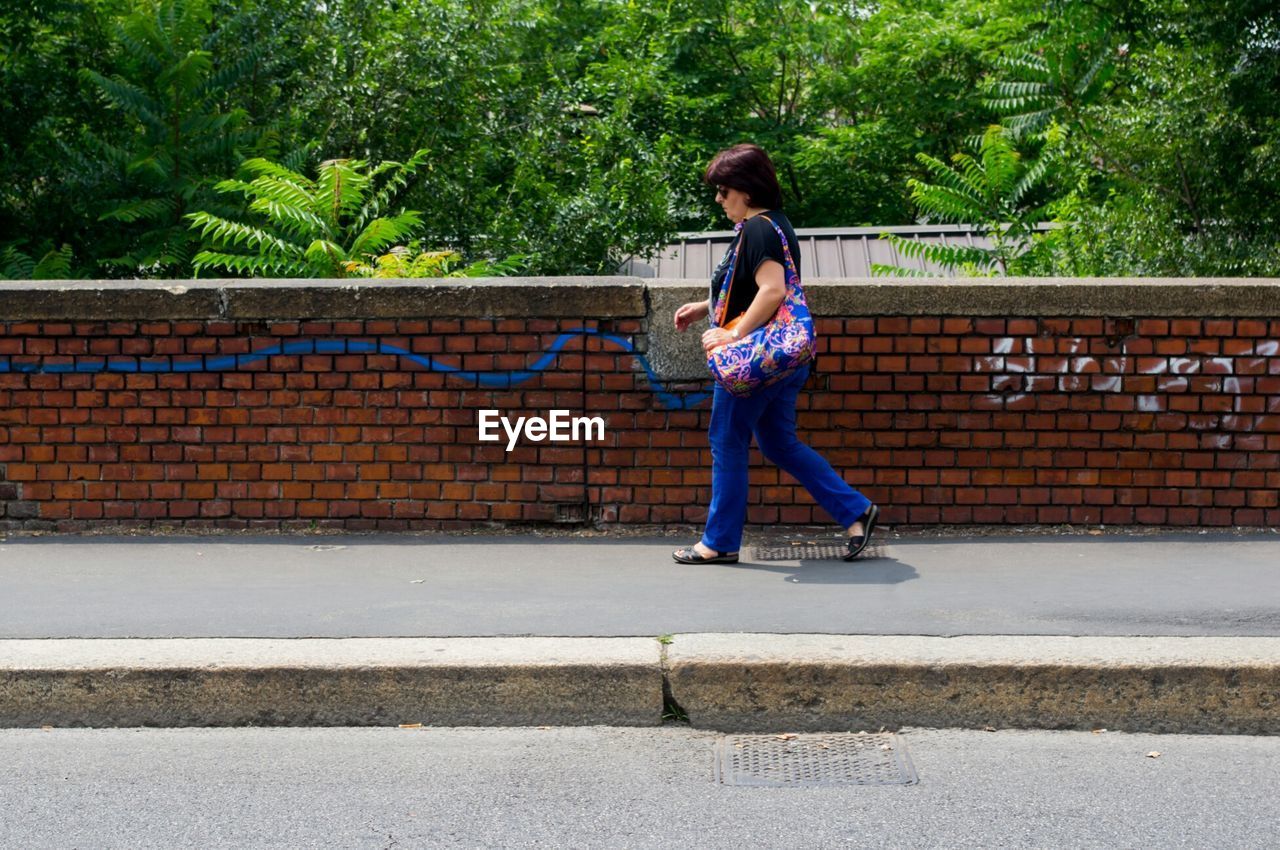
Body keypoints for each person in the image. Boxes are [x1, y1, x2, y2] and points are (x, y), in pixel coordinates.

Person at [671, 143, 879, 565]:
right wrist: (704, 308)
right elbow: (750, 291)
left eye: (723, 190)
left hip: (755, 362)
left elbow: (773, 291)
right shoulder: (777, 224)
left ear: (746, 191)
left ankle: (719, 542)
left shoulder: (759, 229)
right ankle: (855, 510)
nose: (719, 199)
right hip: (785, 359)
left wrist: (732, 336)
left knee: (727, 441)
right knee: (779, 444)